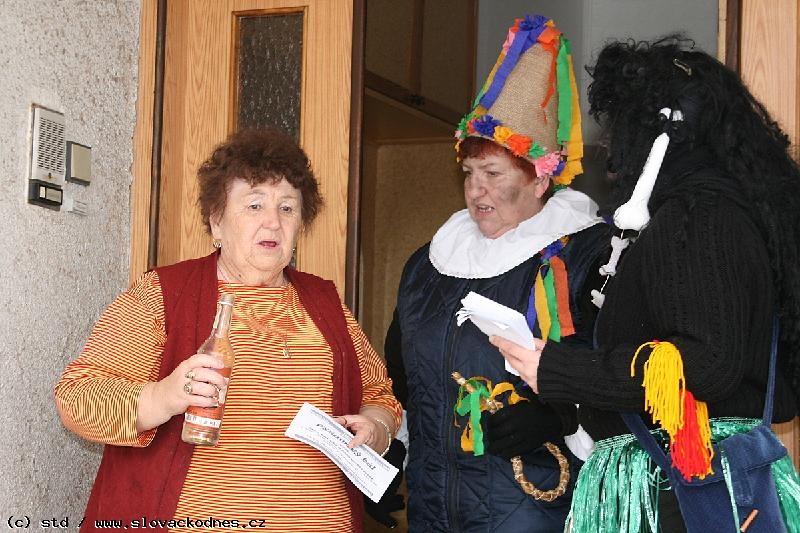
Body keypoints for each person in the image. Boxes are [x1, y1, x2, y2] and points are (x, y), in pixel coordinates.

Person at [492, 36, 800, 532]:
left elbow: (707, 362)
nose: (612, 150)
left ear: (658, 134)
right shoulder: (721, 214)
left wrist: (560, 369)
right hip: (693, 482)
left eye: (623, 127)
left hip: (671, 489)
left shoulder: (697, 217)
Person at [55, 129, 402, 533]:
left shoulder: (324, 302)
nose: (273, 221)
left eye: (287, 208)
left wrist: (376, 428)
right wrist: (165, 396)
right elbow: (77, 399)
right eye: (255, 204)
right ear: (216, 220)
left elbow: (379, 395)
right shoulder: (164, 294)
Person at [385, 15, 612, 532]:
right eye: (469, 173)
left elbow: (621, 375)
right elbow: (400, 375)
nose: (475, 190)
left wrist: (557, 418)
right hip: (432, 509)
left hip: (537, 509)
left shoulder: (587, 257)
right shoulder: (428, 263)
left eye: (493, 173)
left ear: (539, 180)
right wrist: (387, 457)